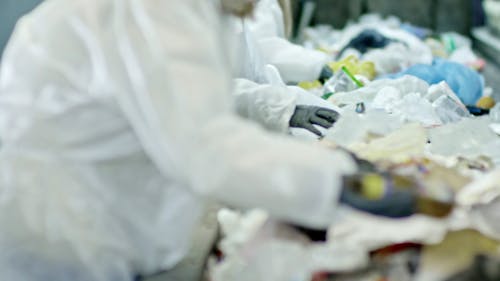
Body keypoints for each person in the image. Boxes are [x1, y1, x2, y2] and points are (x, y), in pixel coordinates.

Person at [0, 0, 421, 280]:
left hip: (89, 218)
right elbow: (206, 147)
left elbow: (179, 95)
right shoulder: (157, 9)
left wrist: (278, 108)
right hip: (63, 238)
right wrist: (339, 182)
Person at [231, 0, 339, 137]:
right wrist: (279, 107)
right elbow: (268, 48)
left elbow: (256, 67)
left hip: (250, 124)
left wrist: (286, 103)